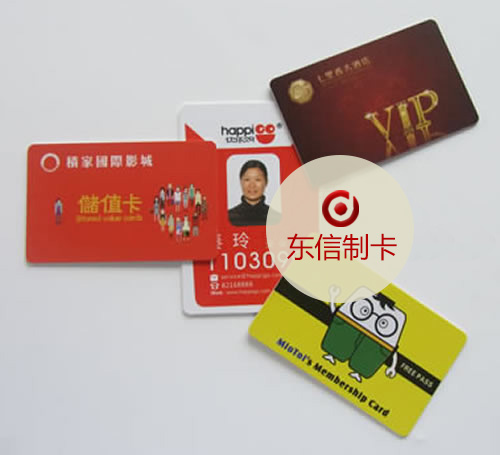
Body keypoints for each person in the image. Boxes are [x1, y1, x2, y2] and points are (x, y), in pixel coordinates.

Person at [228, 160, 272, 226]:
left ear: (266, 182)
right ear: (241, 182)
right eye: (247, 180)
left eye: (257, 180)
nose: (252, 185)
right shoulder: (229, 217)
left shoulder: (276, 217)